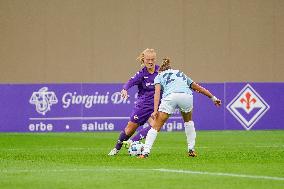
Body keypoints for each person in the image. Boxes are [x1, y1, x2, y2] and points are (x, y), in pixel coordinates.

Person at [139, 58, 222, 158]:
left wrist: (155, 110)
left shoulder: (159, 75)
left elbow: (157, 94)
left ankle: (145, 153)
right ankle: (191, 149)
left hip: (170, 96)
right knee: (188, 122)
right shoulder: (180, 73)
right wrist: (213, 98)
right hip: (186, 96)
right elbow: (197, 88)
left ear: (161, 70)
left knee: (156, 126)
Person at [108, 48, 159, 156]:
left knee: (155, 125)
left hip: (156, 106)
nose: (150, 62)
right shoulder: (141, 74)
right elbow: (130, 82)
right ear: (143, 60)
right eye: (148, 59)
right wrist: (124, 89)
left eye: (152, 59)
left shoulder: (160, 71)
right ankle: (116, 149)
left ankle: (132, 141)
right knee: (129, 129)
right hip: (143, 106)